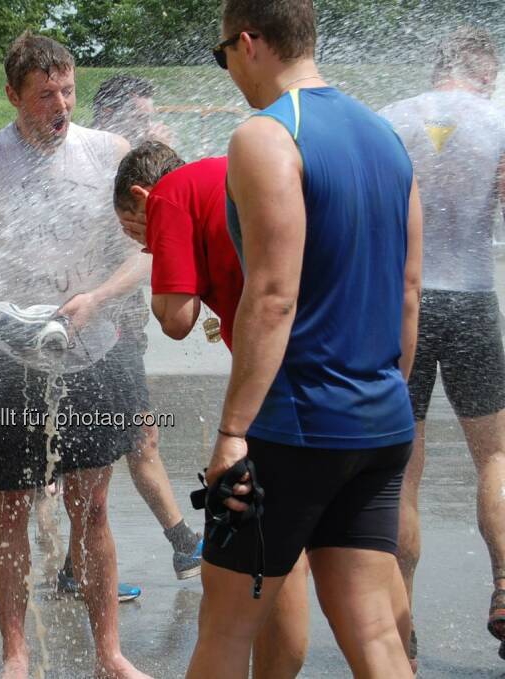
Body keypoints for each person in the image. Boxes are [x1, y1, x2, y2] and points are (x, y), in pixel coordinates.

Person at [185, 1, 423, 677]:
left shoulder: (266, 135)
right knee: (375, 630)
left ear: (251, 42)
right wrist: (381, 399)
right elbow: (409, 289)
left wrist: (233, 431)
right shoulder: (385, 135)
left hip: (291, 428)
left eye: (223, 52)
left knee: (226, 629)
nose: (227, 68)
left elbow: (272, 295)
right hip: (378, 422)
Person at [0, 31, 151, 679]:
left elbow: (150, 245)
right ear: (13, 94)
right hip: (6, 356)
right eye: (45, 93)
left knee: (94, 506)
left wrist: (99, 295)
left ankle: (108, 651)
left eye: (69, 89)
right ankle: (15, 653)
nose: (62, 104)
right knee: (11, 507)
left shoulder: (110, 153)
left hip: (93, 352)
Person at [115, 141, 311, 677]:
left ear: (141, 195)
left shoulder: (170, 196)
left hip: (281, 390)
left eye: (137, 231)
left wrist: (167, 261)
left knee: (233, 582)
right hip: (340, 386)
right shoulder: (235, 174)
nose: (144, 245)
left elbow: (177, 319)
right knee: (316, 570)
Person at [380, 26, 505, 664]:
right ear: (484, 71)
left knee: (404, 469)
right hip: (474, 299)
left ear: (438, 69)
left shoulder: (391, 120)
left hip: (406, 303)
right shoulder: (498, 120)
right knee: (496, 458)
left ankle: (402, 633)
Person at [55, 78, 203, 604]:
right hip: (99, 329)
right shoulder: (98, 167)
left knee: (126, 445)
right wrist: (95, 300)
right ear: (111, 114)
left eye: (152, 115)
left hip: (121, 325)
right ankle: (180, 545)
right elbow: (143, 245)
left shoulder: (133, 163)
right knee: (119, 449)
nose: (149, 124)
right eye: (140, 117)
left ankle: (82, 565)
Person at [92, 74, 176, 146]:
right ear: (107, 115)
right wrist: (160, 150)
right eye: (140, 118)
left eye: (149, 118)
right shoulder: (94, 150)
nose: (149, 127)